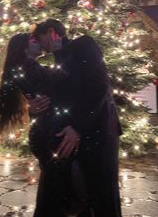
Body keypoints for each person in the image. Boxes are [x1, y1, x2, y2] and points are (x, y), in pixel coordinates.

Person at [0, 33, 87, 217]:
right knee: (56, 191)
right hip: (50, 133)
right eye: (34, 41)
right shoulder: (29, 66)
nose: (40, 44)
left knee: (52, 188)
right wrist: (59, 52)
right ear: (24, 48)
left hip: (43, 131)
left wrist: (28, 106)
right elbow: (63, 77)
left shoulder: (20, 67)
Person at [32, 19, 123, 217]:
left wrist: (77, 127)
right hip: (76, 135)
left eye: (41, 39)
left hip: (99, 131)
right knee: (80, 193)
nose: (42, 47)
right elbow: (66, 93)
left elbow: (99, 88)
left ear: (51, 32)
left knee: (102, 193)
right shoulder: (60, 56)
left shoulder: (85, 44)